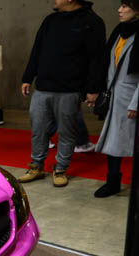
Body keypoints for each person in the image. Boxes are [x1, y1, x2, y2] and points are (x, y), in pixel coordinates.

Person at [18, 0, 106, 188]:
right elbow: (37, 50)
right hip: (43, 87)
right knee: (38, 129)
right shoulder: (50, 20)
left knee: (67, 131)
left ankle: (60, 169)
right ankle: (36, 166)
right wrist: (27, 77)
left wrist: (93, 89)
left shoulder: (92, 22)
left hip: (70, 89)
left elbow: (97, 59)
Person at [94, 1, 139, 197]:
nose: (120, 10)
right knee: (113, 143)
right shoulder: (119, 32)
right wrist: (98, 90)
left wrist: (135, 103)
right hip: (116, 97)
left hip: (131, 98)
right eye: (120, 5)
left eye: (125, 6)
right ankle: (112, 182)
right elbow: (107, 64)